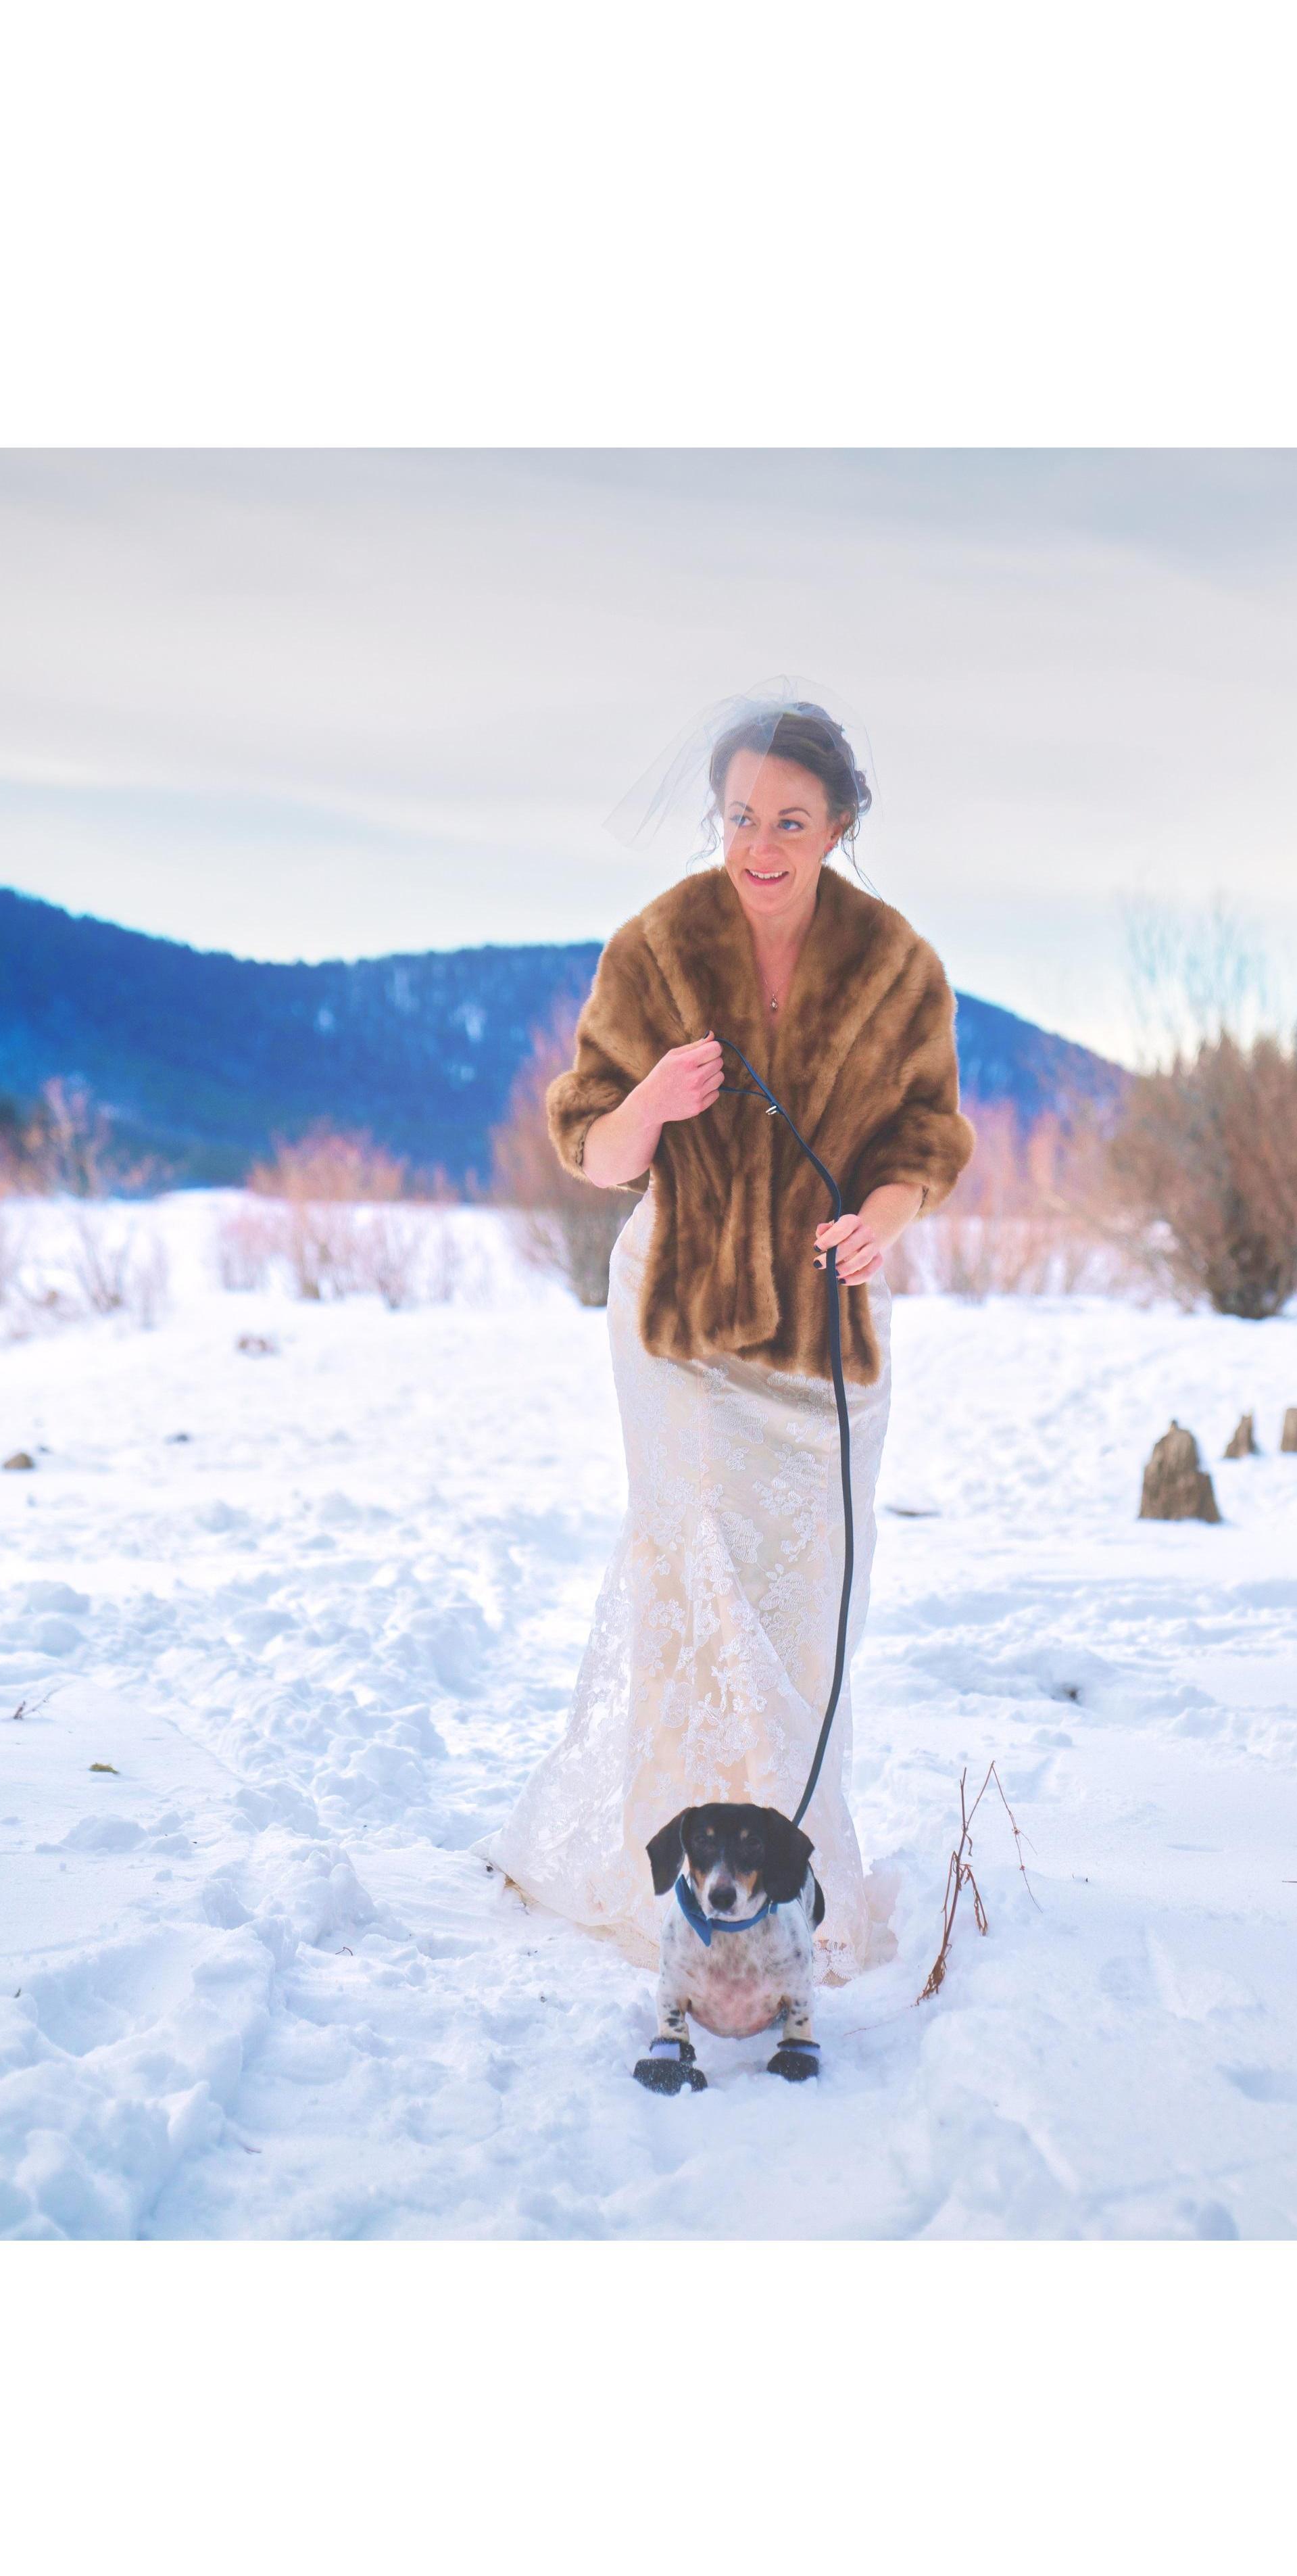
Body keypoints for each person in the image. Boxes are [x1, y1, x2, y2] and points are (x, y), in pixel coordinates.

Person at [484, 702, 973, 1978]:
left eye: (791, 821)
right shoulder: (656, 945)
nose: (761, 843)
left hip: (825, 1342)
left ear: (840, 826)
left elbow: (925, 1145)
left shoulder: (900, 965)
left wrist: (877, 1223)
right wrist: (650, 1098)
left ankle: (796, 1874)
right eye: (742, 816)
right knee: (698, 1586)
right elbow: (593, 1149)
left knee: (807, 1616)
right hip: (681, 1330)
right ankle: (683, 1881)